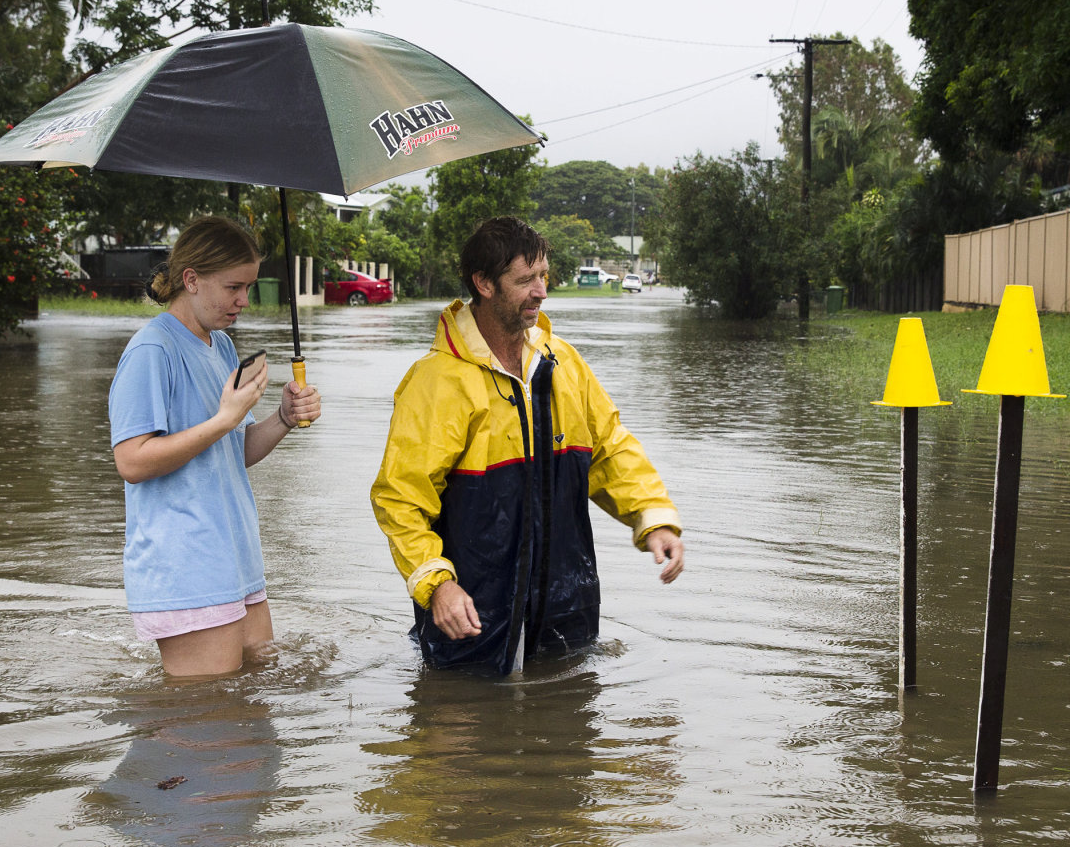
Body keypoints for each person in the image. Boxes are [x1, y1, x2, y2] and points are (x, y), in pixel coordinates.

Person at [371, 216, 684, 673]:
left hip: (566, 606)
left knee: (568, 720)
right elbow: (400, 499)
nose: (541, 291)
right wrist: (436, 585)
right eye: (525, 280)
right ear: (484, 283)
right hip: (471, 617)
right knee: (456, 722)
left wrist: (652, 517)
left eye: (543, 276)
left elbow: (609, 448)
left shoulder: (564, 364)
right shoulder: (435, 382)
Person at [109, 216, 320, 676]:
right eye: (234, 287)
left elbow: (233, 451)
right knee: (207, 723)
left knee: (253, 710)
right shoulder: (152, 350)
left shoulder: (221, 347)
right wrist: (224, 418)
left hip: (234, 556)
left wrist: (283, 418)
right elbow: (131, 461)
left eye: (250, 286)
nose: (244, 300)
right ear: (191, 280)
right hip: (186, 566)